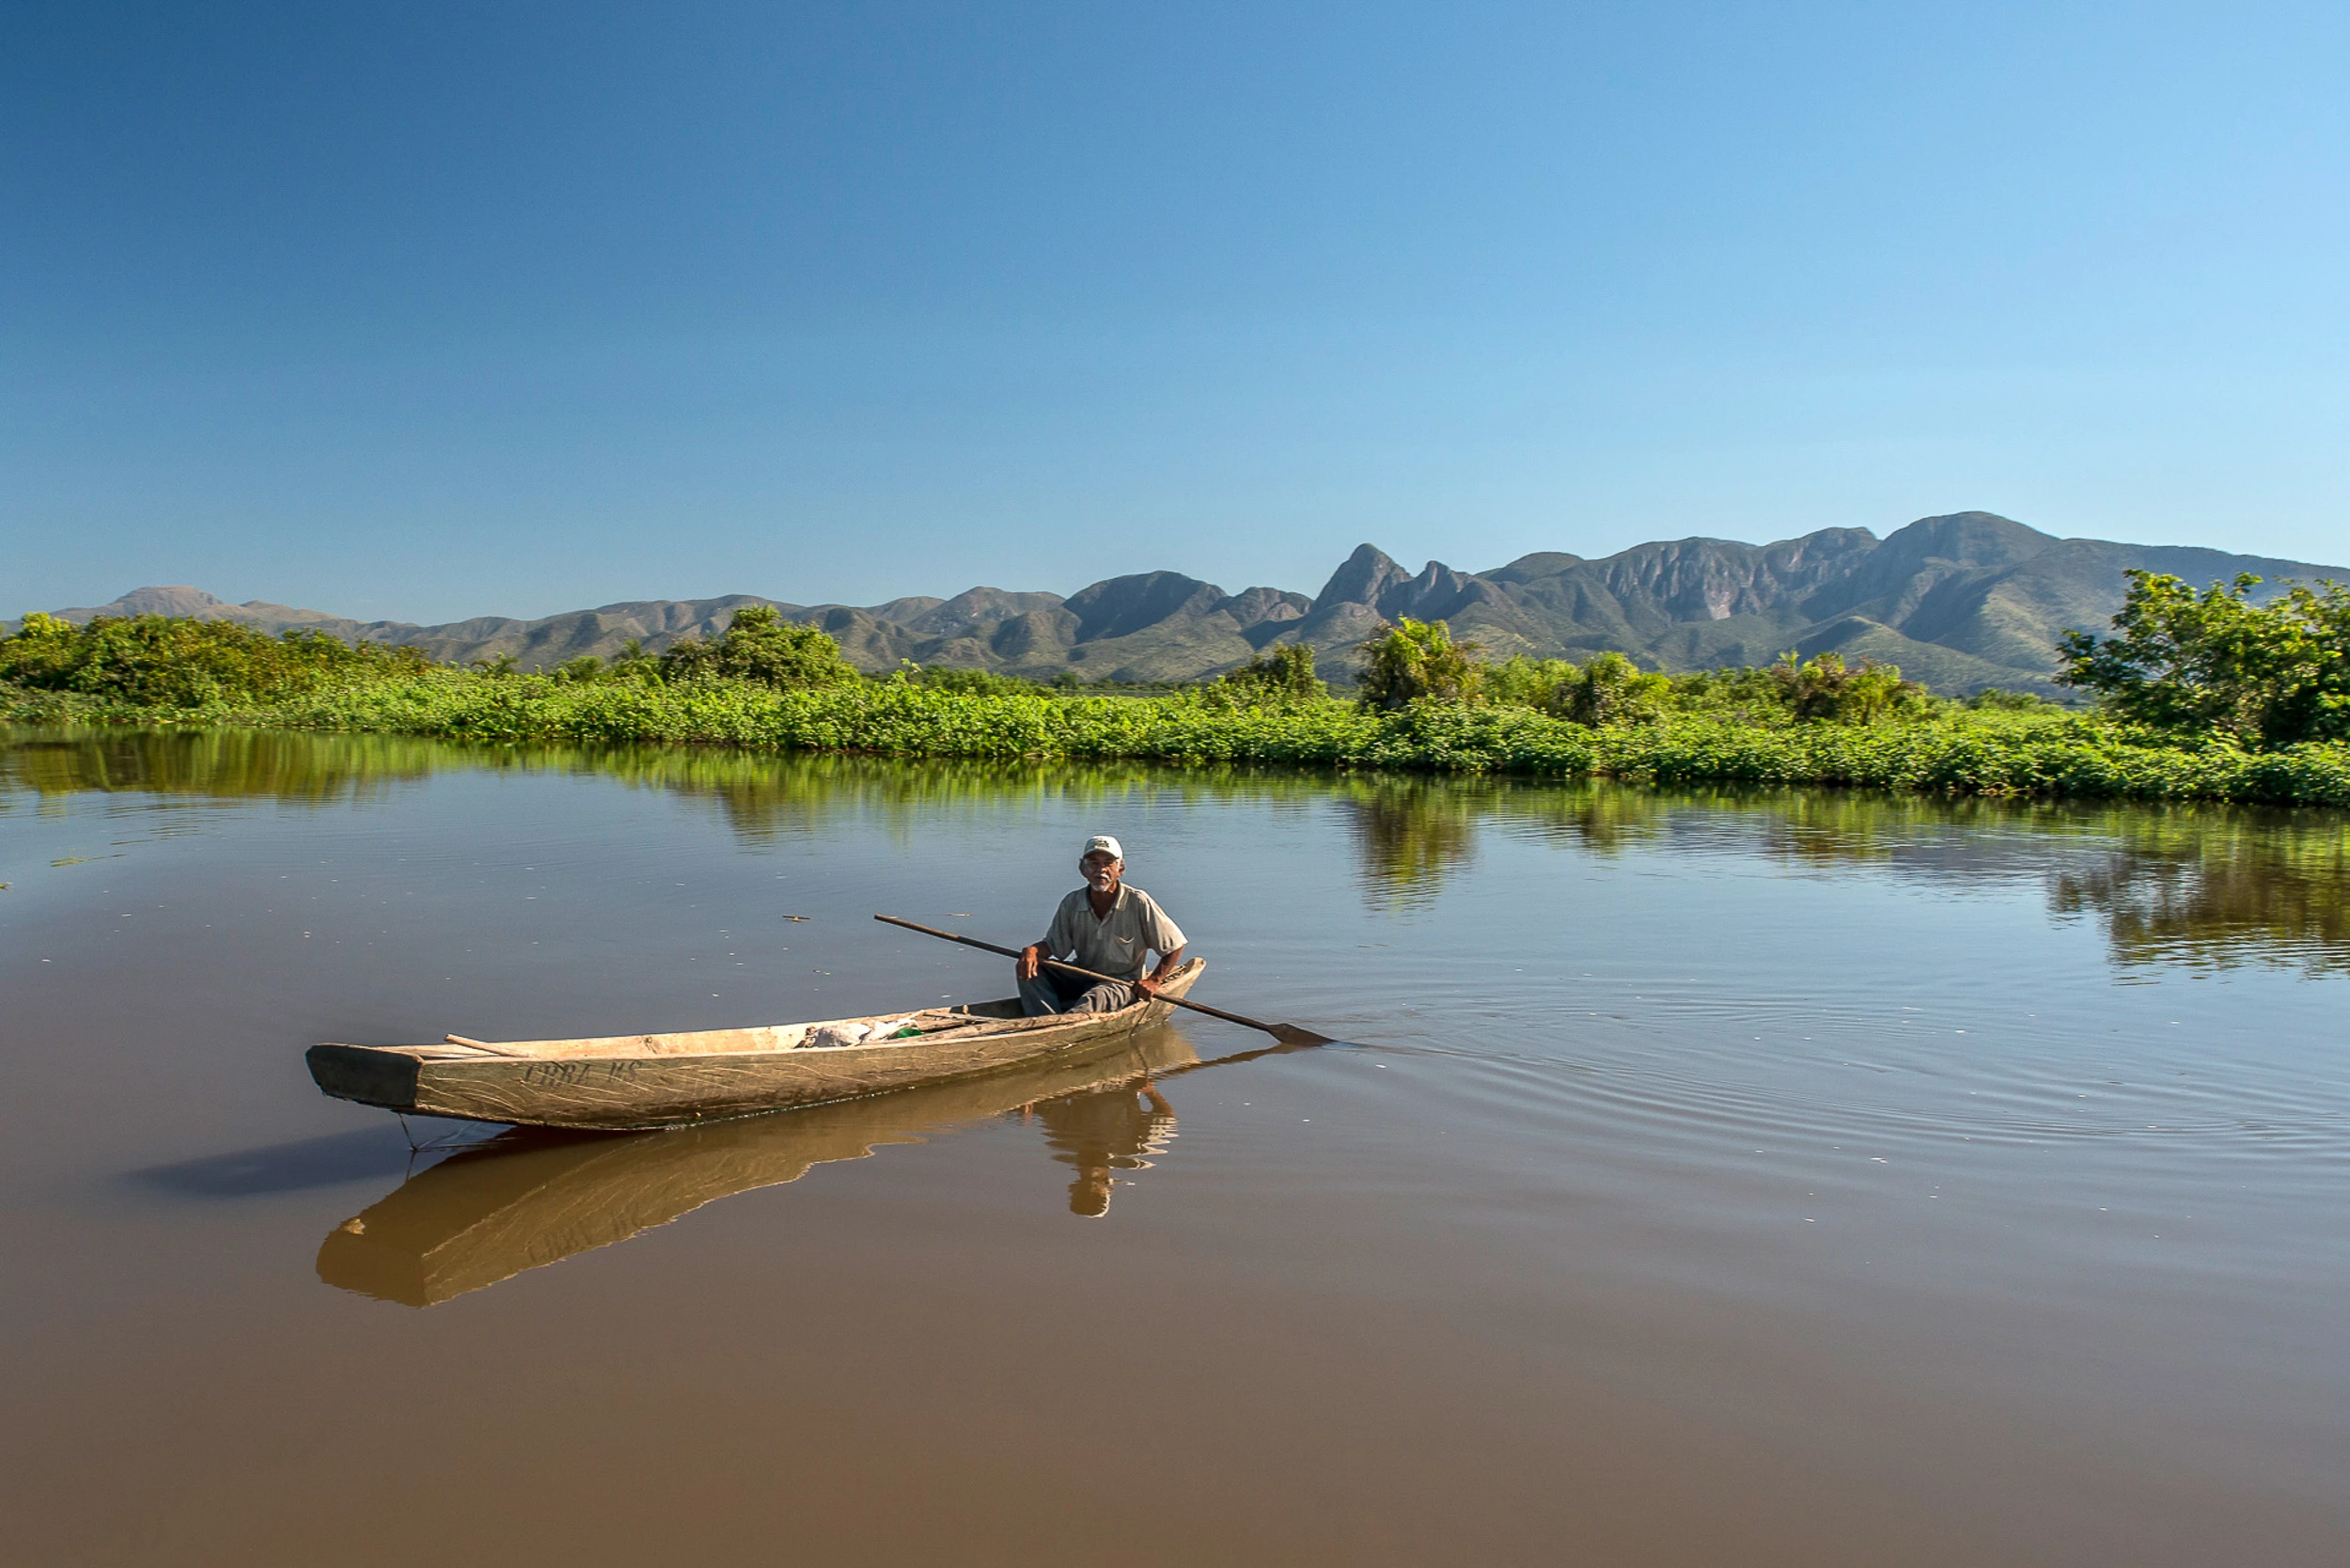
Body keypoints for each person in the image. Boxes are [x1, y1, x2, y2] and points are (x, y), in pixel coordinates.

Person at [1016, 835, 1187, 1016]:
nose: (1101, 870)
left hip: (1121, 983)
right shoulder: (1072, 902)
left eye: (1108, 863)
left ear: (1120, 869)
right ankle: (1043, 1020)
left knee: (1094, 999)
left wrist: (1154, 980)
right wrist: (1032, 951)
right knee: (1030, 968)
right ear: (1083, 869)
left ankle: (1064, 1024)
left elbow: (1175, 945)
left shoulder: (1138, 902)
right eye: (1094, 863)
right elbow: (1054, 945)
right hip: (1081, 974)